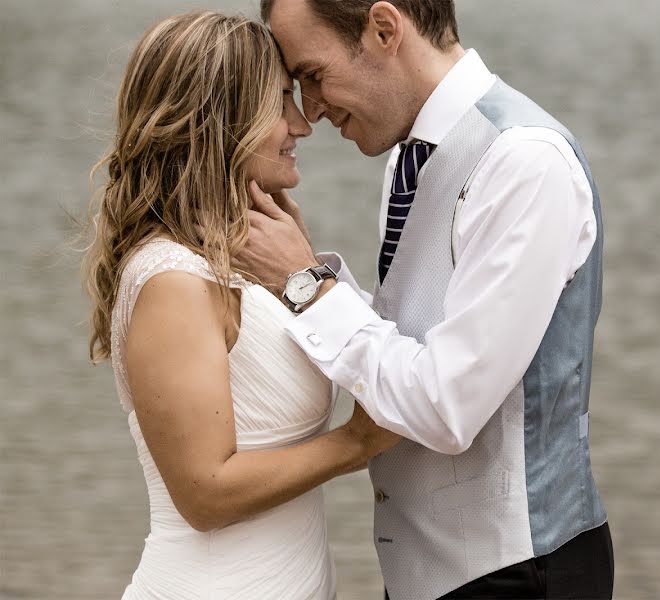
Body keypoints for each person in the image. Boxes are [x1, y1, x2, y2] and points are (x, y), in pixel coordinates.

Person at [237, 1, 615, 599]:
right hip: (429, 575)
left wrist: (307, 286)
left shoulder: (524, 162)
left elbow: (446, 405)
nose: (310, 108)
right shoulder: (410, 156)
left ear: (384, 29)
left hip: (517, 575)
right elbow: (412, 340)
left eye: (312, 74)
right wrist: (307, 277)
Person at [81, 12, 400, 599]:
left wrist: (301, 278)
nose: (301, 125)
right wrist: (356, 443)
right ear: (219, 121)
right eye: (280, 101)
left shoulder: (247, 259)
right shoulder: (172, 280)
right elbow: (205, 493)